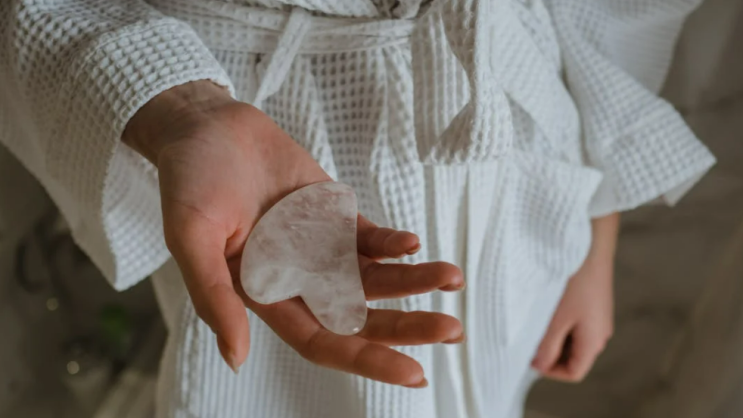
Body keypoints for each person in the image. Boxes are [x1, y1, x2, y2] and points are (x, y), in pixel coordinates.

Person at [0, 0, 715, 417]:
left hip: (518, 148)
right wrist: (179, 107)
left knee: (488, 376)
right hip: (257, 151)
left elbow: (618, 16)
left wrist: (597, 231)